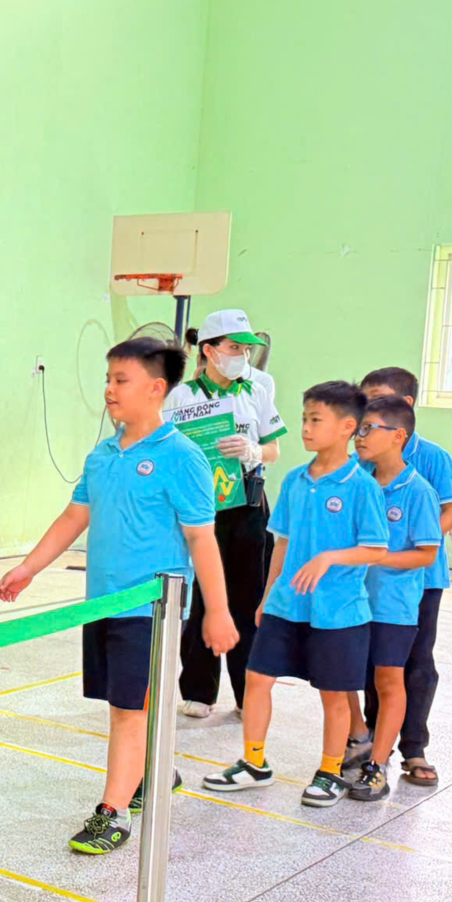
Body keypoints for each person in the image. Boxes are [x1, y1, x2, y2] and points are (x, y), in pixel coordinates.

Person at [0, 337, 236, 873]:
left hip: (151, 610)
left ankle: (113, 812)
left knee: (130, 711)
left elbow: (202, 539)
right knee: (126, 703)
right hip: (101, 604)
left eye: (120, 380)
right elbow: (74, 516)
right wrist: (29, 568)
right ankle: (152, 772)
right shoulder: (102, 455)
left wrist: (217, 611)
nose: (109, 389)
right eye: (108, 379)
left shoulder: (182, 458)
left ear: (156, 388)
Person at [204, 381, 388, 808]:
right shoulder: (295, 480)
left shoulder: (361, 486)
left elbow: (376, 548)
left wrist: (328, 558)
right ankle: (254, 763)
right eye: (304, 418)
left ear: (347, 427)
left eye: (315, 420)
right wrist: (268, 595)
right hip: (287, 605)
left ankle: (330, 771)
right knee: (257, 678)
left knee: (334, 694)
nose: (305, 428)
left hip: (338, 610)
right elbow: (282, 543)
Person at [164, 308, 286, 721]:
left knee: (247, 599)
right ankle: (198, 689)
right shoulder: (181, 397)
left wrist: (253, 451)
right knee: (200, 597)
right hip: (199, 510)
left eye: (246, 350)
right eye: (234, 348)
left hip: (247, 507)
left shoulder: (257, 390)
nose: (241, 356)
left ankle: (248, 692)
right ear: (209, 350)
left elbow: (274, 448)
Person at [346, 366, 452, 786]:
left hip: (418, 581)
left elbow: (450, 512)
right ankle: (370, 742)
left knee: (413, 665)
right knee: (368, 667)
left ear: (405, 406)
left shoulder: (430, 459)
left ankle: (413, 748)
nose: (368, 407)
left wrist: (404, 544)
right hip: (364, 585)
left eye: (377, 398)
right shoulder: (360, 463)